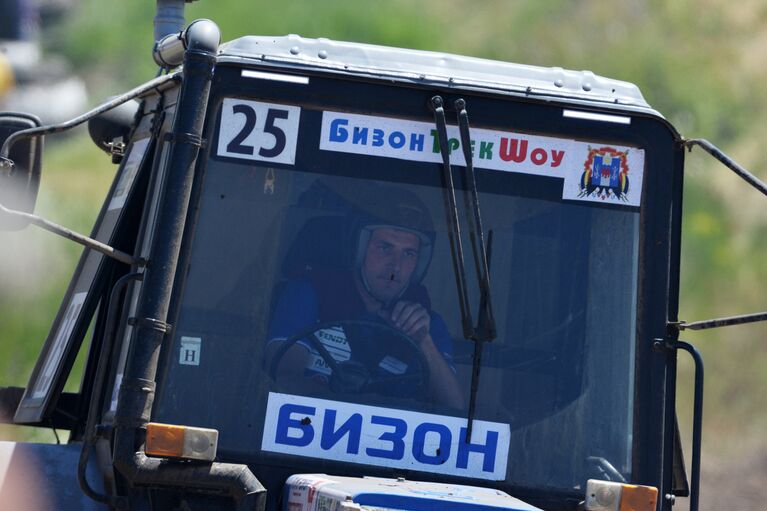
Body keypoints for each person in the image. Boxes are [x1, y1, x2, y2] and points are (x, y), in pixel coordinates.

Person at [266, 185, 464, 409]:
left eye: (409, 253)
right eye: (385, 247)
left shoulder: (427, 324)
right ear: (358, 249)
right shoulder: (309, 295)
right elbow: (283, 381)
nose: (396, 266)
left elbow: (455, 410)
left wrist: (424, 343)